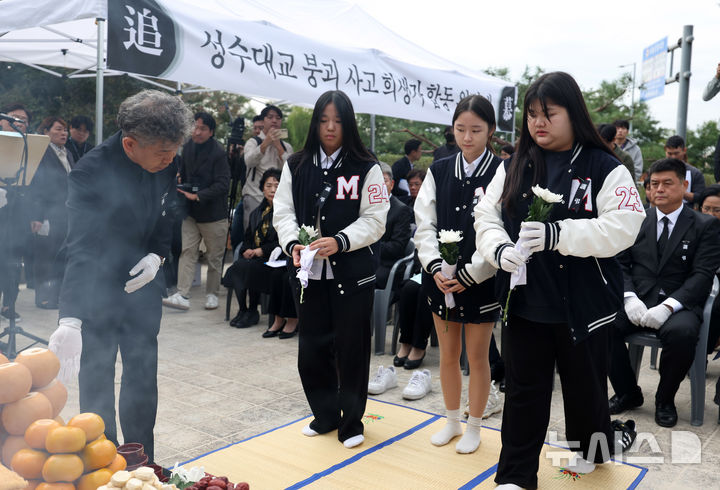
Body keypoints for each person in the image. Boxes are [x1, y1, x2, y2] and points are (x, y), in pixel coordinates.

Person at [475, 72, 644, 489]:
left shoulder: (606, 167)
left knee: (585, 391)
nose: (539, 123)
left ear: (573, 113)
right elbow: (486, 216)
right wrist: (498, 249)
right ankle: (515, 477)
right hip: (527, 301)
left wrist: (559, 234)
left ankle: (594, 449)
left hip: (585, 305)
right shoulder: (515, 163)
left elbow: (625, 226)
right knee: (523, 393)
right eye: (532, 114)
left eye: (549, 113)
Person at [48, 89, 192, 463]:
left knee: (143, 376)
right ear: (130, 143)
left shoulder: (166, 158)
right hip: (98, 289)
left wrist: (157, 257)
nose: (170, 159)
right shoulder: (89, 172)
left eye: (174, 150)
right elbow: (80, 244)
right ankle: (105, 461)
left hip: (143, 287)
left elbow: (168, 211)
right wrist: (71, 315)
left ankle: (142, 460)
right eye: (163, 152)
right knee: (96, 377)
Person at [273, 89, 389, 449]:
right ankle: (324, 416)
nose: (330, 127)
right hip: (309, 274)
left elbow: (376, 220)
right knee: (312, 348)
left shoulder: (365, 166)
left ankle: (352, 423)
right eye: (323, 120)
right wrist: (292, 243)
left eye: (337, 121)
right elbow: (283, 211)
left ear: (348, 123)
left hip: (352, 273)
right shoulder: (296, 164)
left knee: (352, 349)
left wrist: (340, 241)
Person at [414, 94, 502, 455]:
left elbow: (501, 229)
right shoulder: (438, 170)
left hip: (480, 280)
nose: (467, 137)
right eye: (460, 129)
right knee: (448, 354)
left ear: (491, 131)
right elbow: (424, 224)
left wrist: (472, 273)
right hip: (440, 280)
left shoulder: (501, 171)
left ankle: (475, 426)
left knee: (477, 357)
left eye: (476, 130)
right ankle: (450, 421)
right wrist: (434, 266)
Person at [608, 158, 720, 428]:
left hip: (680, 303)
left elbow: (702, 275)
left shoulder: (704, 225)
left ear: (683, 185)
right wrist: (629, 297)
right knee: (602, 326)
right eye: (653, 184)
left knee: (682, 334)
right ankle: (628, 392)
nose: (659, 189)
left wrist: (668, 306)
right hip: (638, 298)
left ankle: (664, 399)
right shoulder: (635, 221)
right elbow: (619, 263)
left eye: (667, 183)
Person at [163, 112, 230, 311]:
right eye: (195, 127)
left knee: (214, 257)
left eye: (202, 128)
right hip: (190, 213)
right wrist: (182, 184)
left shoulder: (218, 152)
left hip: (213, 215)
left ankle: (212, 294)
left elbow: (223, 184)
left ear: (211, 132)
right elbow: (183, 172)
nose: (197, 131)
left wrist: (199, 195)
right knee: (187, 251)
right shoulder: (188, 147)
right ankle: (182, 294)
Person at [223, 168, 298, 336]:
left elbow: (283, 240)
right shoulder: (257, 211)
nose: (272, 190)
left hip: (275, 259)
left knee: (248, 268)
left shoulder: (287, 211)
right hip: (257, 258)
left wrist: (260, 251)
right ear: (262, 188)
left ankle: (252, 311)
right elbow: (248, 236)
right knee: (238, 267)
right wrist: (247, 250)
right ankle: (244, 310)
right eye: (268, 185)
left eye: (276, 186)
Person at [29, 116, 74, 309]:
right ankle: (44, 297)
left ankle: (58, 295)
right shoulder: (41, 152)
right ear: (45, 132)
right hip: (47, 212)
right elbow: (36, 186)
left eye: (65, 130)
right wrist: (37, 216)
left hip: (66, 212)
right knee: (45, 256)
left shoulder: (68, 153)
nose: (63, 133)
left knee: (62, 255)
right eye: (58, 129)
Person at [0, 102, 30, 323]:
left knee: (13, 260)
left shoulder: (30, 146)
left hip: (17, 212)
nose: (18, 123)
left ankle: (9, 304)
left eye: (23, 120)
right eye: (14, 119)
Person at [243, 105, 292, 228]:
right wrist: (266, 143)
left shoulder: (286, 146)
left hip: (279, 200)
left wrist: (278, 146)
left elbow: (292, 169)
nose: (274, 120)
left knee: (276, 235)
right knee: (252, 232)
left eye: (278, 118)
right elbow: (249, 162)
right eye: (270, 117)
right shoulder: (253, 142)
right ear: (263, 120)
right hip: (255, 195)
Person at [376, 162, 412, 289]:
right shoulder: (366, 207)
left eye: (384, 181)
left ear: (391, 184)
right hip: (367, 261)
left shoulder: (401, 210)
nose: (379, 185)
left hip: (386, 265)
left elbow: (397, 247)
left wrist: (370, 246)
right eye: (376, 181)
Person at [698, 184, 720, 356]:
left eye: (717, 210)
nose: (711, 214)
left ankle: (703, 352)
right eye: (707, 209)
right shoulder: (692, 229)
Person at [664, 135, 706, 205]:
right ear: (665, 150)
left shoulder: (694, 173)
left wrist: (679, 192)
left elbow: (700, 197)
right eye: (670, 153)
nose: (673, 157)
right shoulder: (657, 171)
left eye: (676, 153)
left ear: (684, 151)